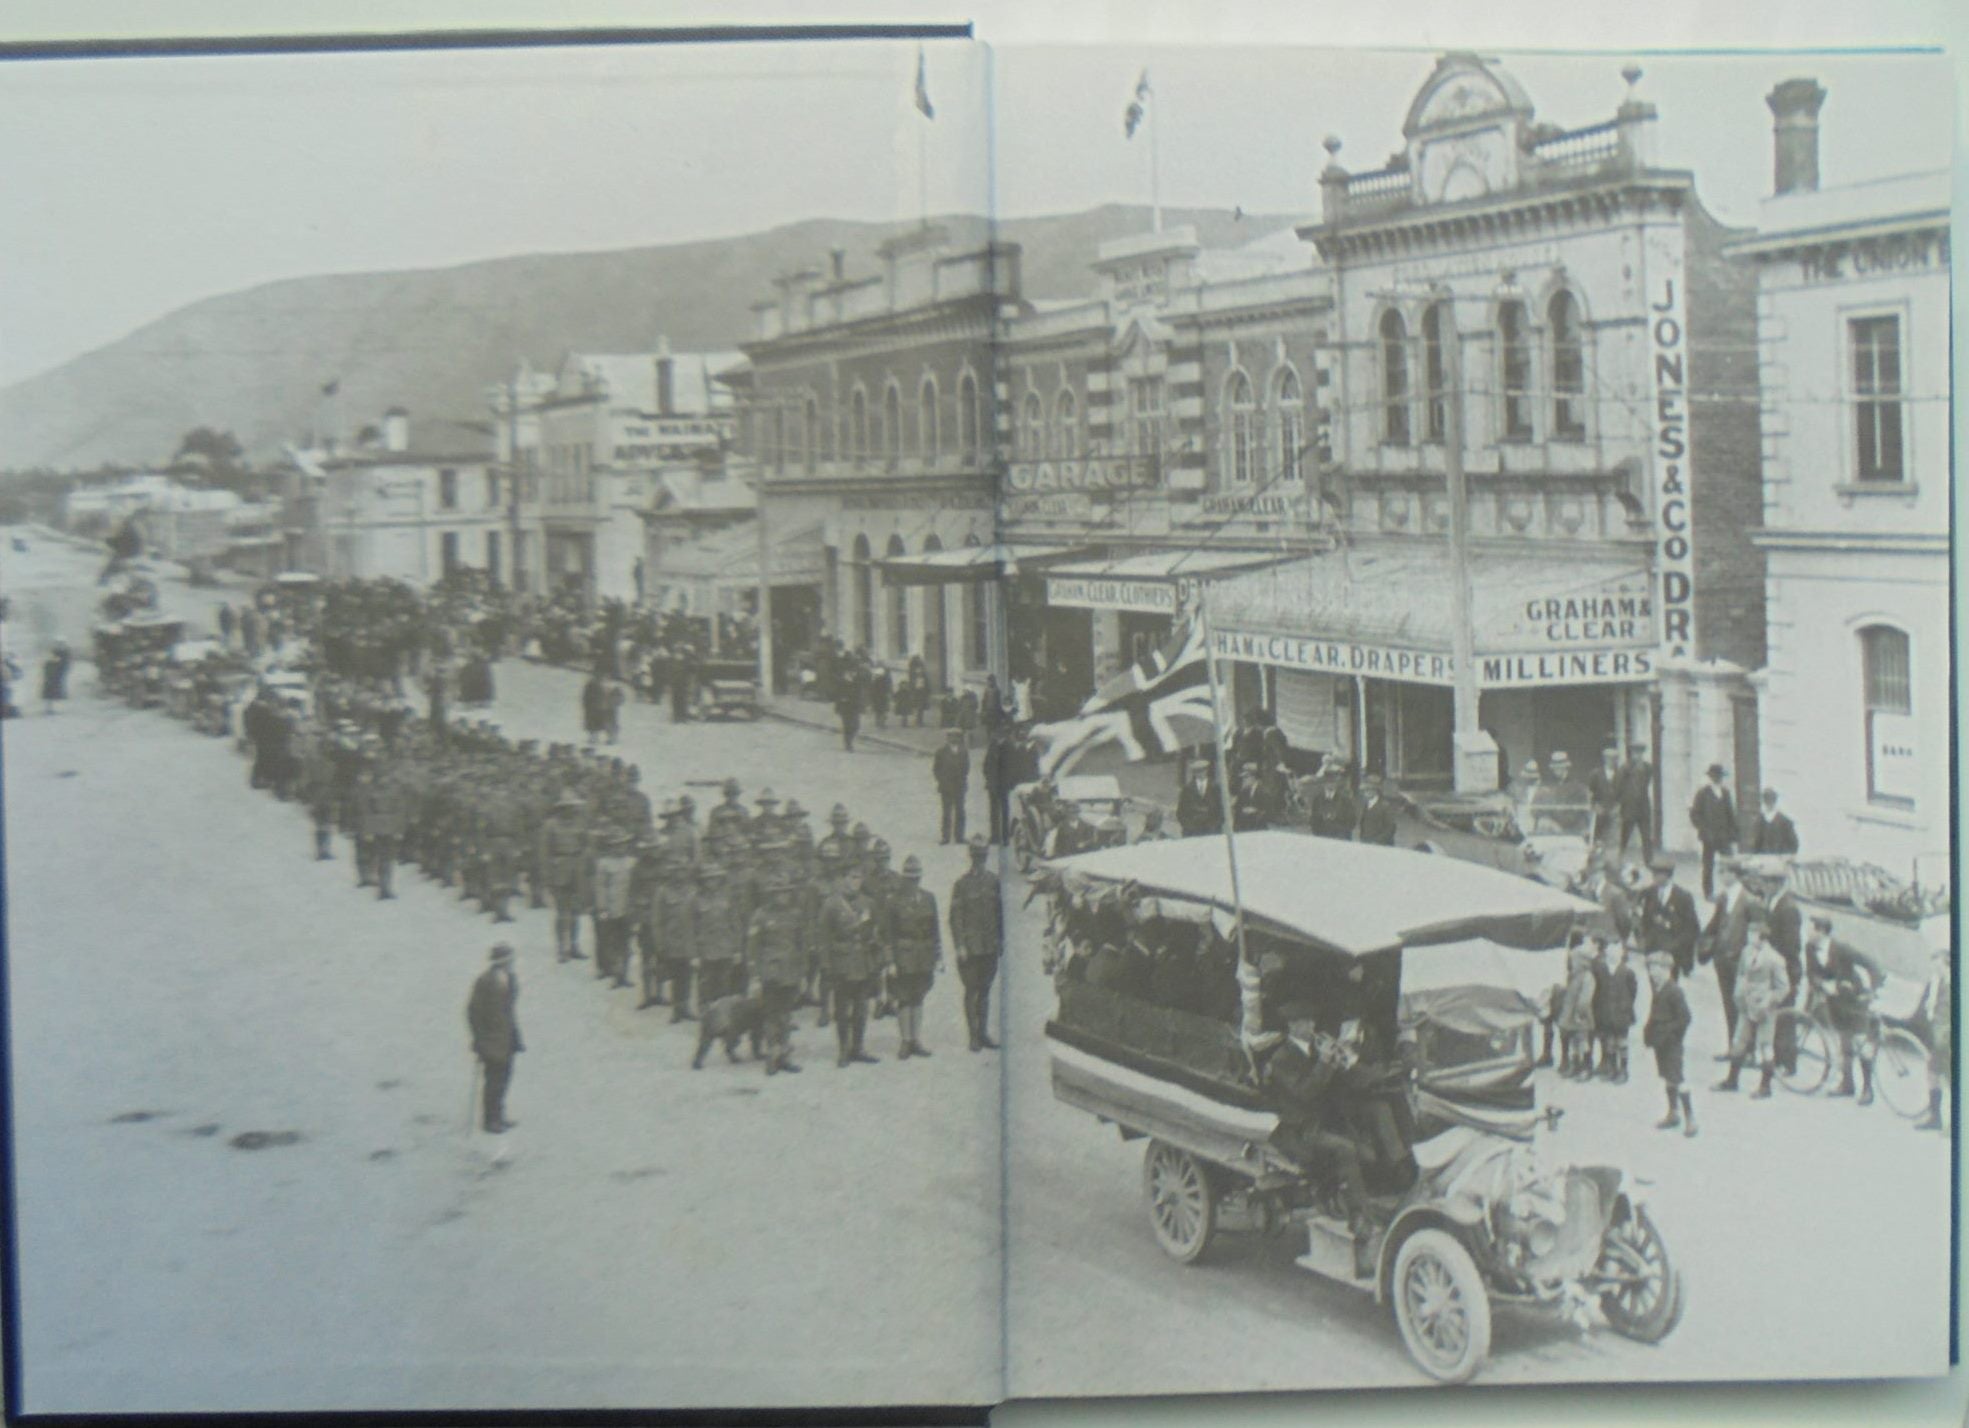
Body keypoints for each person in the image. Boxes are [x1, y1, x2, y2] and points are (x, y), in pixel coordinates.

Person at [1257, 1014, 1376, 1279]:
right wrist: (1325, 1061)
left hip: (1320, 1125)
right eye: (1305, 1022)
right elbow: (1306, 1092)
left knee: (1368, 1151)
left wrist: (1343, 1060)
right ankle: (1360, 1221)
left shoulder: (1312, 1050)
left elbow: (1333, 1089)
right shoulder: (1282, 1058)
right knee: (1345, 1150)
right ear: (1291, 1025)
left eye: (1312, 1021)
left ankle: (1346, 1200)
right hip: (1297, 1133)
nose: (1312, 1026)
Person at [1804, 913, 1883, 1105]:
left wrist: (1872, 991)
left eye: (1811, 928)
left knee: (1861, 1044)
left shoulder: (1841, 948)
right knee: (1844, 1043)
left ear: (1821, 931)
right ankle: (1847, 1085)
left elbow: (1872, 965)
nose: (1807, 932)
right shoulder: (1810, 948)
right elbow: (1812, 973)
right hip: (1835, 1003)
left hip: (1854, 1000)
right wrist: (1823, 985)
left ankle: (1867, 1089)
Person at [1716, 913, 1787, 1099]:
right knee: (1739, 1041)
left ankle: (1765, 1086)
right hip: (1746, 1004)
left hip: (1765, 1008)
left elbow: (1783, 988)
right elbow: (1741, 973)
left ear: (1762, 937)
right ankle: (1732, 1080)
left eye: (1752, 934)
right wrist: (1739, 991)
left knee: (1765, 1045)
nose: (1749, 937)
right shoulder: (1747, 952)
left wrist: (1769, 1000)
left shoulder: (1774, 959)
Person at [819, 863, 880, 1067]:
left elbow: (874, 932)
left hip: (863, 962)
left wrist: (875, 957)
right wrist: (827, 965)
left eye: (859, 878)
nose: (856, 882)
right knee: (843, 1009)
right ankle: (843, 1049)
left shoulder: (868, 903)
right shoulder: (832, 904)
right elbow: (824, 937)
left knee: (862, 1008)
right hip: (841, 962)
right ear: (843, 878)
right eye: (852, 877)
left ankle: (858, 1047)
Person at [1698, 859, 1762, 1048]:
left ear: (1735, 874)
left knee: (1742, 1006)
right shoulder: (1724, 898)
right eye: (1720, 871)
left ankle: (1745, 1048)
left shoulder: (1749, 900)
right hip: (1722, 959)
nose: (1721, 876)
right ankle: (1733, 1046)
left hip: (1739, 961)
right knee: (1729, 1005)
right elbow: (1715, 924)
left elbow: (1757, 934)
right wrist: (1702, 942)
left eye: (1724, 872)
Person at [747, 873, 804, 1075]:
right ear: (771, 894)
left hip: (790, 972)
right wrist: (754, 976)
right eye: (779, 893)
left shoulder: (795, 914)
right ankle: (772, 1055)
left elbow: (800, 945)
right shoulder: (760, 915)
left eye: (786, 893)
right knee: (771, 1016)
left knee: (786, 1016)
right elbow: (752, 948)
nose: (783, 896)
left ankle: (785, 1056)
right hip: (770, 973)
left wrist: (801, 974)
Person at [886, 854, 942, 1059]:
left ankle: (916, 1039)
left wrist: (938, 956)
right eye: (909, 878)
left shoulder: (929, 898)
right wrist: (890, 961)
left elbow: (935, 929)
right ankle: (905, 1040)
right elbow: (888, 933)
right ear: (903, 879)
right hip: (904, 956)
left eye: (916, 878)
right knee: (904, 997)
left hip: (923, 955)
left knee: (918, 997)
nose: (913, 882)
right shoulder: (893, 901)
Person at [950, 834, 1002, 1051]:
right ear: (971, 856)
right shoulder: (962, 885)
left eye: (983, 856)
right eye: (976, 856)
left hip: (989, 945)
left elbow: (999, 913)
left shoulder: (993, 881)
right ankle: (973, 1036)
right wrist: (960, 945)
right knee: (971, 990)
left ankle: (983, 1033)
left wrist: (1001, 940)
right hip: (970, 948)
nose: (980, 860)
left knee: (986, 990)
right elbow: (955, 918)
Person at [466, 944, 523, 1134]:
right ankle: (490, 1120)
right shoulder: (484, 982)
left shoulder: (511, 979)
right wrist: (478, 1039)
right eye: (508, 960)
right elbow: (473, 1013)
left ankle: (499, 1115)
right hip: (491, 1041)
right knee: (494, 1081)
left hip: (507, 1039)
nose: (511, 963)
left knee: (504, 1078)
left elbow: (510, 1009)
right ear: (500, 961)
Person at [1642, 952, 1695, 1137]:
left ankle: (1690, 1119)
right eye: (1650, 969)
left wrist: (1671, 1035)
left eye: (1656, 969)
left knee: (1678, 1078)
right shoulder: (1659, 989)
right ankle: (1673, 1113)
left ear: (1667, 970)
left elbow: (1685, 1018)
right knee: (1668, 1077)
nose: (1652, 973)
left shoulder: (1674, 991)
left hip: (1671, 1043)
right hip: (1661, 1043)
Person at [1637, 853, 1701, 978]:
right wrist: (1645, 940)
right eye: (1653, 874)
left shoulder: (1683, 897)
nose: (1653, 878)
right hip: (1653, 950)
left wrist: (1677, 948)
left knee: (1669, 988)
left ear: (1667, 876)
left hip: (1672, 954)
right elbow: (1644, 919)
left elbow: (1692, 928)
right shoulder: (1649, 893)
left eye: (1657, 875)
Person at [589, 828, 637, 987]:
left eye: (622, 844)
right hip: (611, 908)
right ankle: (612, 972)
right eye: (616, 845)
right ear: (610, 846)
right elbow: (600, 886)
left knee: (625, 943)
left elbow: (637, 886)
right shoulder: (604, 863)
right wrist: (602, 907)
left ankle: (623, 974)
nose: (619, 848)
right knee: (611, 942)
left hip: (628, 908)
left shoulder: (632, 862)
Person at [1913, 947, 1951, 1132]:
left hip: (1948, 1038)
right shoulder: (1935, 982)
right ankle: (1935, 1116)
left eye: (1938, 964)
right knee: (1933, 1075)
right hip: (1938, 1037)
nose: (1935, 968)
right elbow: (1924, 1005)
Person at [1689, 763, 1737, 901]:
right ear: (1710, 777)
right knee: (1708, 865)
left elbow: (1731, 814)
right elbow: (1694, 814)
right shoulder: (1703, 793)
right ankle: (1708, 893)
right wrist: (1703, 829)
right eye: (1715, 776)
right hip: (1709, 836)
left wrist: (1733, 833)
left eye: (1720, 776)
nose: (1718, 779)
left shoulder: (1726, 793)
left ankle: (1730, 892)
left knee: (1729, 864)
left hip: (1723, 836)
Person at [1593, 937, 1638, 1082]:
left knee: (1622, 1042)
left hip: (1622, 1014)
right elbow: (1598, 989)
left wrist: (1627, 1006)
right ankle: (1611, 1068)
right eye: (1609, 952)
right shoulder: (1601, 970)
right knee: (1609, 1041)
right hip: (1606, 1012)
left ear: (1621, 954)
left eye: (1616, 952)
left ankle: (1623, 1070)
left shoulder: (1627, 972)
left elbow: (1633, 991)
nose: (1612, 955)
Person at [1617, 742, 1656, 863]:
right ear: (1632, 753)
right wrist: (1621, 803)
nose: (1638, 756)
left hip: (1643, 807)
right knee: (1624, 835)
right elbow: (1619, 786)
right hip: (1629, 807)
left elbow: (1647, 783)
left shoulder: (1648, 768)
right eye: (1635, 753)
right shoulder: (1625, 768)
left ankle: (1648, 860)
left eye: (1640, 753)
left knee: (1646, 836)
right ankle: (1617, 858)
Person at [933, 727, 971, 845]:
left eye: (956, 737)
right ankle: (946, 837)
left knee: (960, 811)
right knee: (946, 812)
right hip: (946, 786)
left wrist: (962, 779)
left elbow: (966, 768)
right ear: (948, 738)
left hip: (960, 786)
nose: (953, 739)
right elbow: (936, 769)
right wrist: (942, 780)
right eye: (951, 736)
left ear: (959, 739)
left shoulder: (964, 751)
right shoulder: (941, 751)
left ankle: (960, 836)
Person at [1305, 760, 1358, 840]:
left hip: (1340, 839)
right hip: (1322, 838)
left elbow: (1351, 822)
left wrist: (1341, 834)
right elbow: (1314, 820)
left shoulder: (1345, 800)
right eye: (1328, 781)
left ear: (1337, 783)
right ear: (1323, 783)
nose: (1330, 784)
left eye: (1333, 782)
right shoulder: (1318, 799)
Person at [983, 726, 1016, 846]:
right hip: (993, 783)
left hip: (1004, 784)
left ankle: (1005, 837)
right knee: (993, 811)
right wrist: (988, 777)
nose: (996, 735)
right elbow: (986, 763)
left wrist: (1009, 781)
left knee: (1005, 811)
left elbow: (1012, 766)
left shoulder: (1009, 746)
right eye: (995, 733)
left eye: (998, 733)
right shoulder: (992, 745)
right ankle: (995, 836)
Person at [1587, 744, 1623, 845]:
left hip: (1615, 809)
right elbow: (1590, 793)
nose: (1611, 761)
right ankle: (1597, 844)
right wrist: (1595, 806)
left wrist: (1619, 806)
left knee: (1615, 835)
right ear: (1604, 759)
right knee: (1597, 832)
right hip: (1600, 809)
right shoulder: (1596, 774)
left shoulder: (1622, 774)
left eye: (1614, 759)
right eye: (1609, 758)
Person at [1174, 760, 1220, 838]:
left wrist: (1214, 826)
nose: (1200, 774)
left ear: (1206, 771)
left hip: (1212, 830)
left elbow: (1220, 810)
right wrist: (1189, 827)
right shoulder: (1187, 789)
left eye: (1202, 771)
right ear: (1194, 773)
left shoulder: (1215, 787)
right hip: (1193, 831)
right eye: (1197, 772)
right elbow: (1181, 812)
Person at [1751, 787, 1799, 855]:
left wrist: (1786, 857)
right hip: (1764, 860)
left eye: (1771, 800)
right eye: (1766, 800)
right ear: (1764, 802)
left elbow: (1794, 844)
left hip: (1780, 860)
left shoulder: (1785, 822)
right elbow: (1756, 844)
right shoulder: (1759, 821)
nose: (1769, 803)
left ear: (1775, 801)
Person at [1356, 775, 1398, 847]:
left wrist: (1377, 842)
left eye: (1369, 789)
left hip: (1381, 846)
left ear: (1376, 790)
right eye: (1365, 790)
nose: (1366, 792)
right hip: (1366, 844)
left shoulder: (1385, 806)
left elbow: (1391, 828)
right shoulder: (1365, 805)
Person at [835, 662, 864, 752]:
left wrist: (861, 706)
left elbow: (859, 695)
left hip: (854, 707)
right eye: (850, 672)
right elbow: (837, 696)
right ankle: (848, 744)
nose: (852, 674)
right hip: (845, 708)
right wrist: (839, 705)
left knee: (856, 726)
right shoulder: (841, 683)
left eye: (854, 672)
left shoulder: (857, 682)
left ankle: (849, 741)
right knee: (847, 726)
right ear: (846, 673)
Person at [40, 640, 71, 714]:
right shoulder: (52, 661)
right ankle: (50, 708)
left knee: (52, 694)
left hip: (52, 680)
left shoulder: (59, 657)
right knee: (51, 694)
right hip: (51, 680)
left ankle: (50, 708)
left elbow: (63, 665)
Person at [581, 671, 609, 746]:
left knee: (597, 723)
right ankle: (592, 737)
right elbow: (585, 696)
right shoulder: (590, 685)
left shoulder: (601, 685)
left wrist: (603, 705)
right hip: (591, 707)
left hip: (599, 708)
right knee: (591, 723)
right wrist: (586, 705)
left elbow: (603, 696)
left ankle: (595, 737)